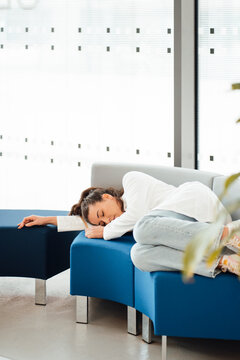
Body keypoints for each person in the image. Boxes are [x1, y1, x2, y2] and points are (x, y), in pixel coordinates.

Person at [18, 171, 240, 277]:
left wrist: (105, 232)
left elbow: (135, 217)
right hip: (186, 234)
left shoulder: (131, 181)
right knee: (138, 255)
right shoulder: (124, 221)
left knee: (143, 228)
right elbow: (87, 224)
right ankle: (224, 261)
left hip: (193, 206)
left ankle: (227, 234)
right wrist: (47, 220)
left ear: (106, 196)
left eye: (103, 213)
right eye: (102, 221)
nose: (107, 221)